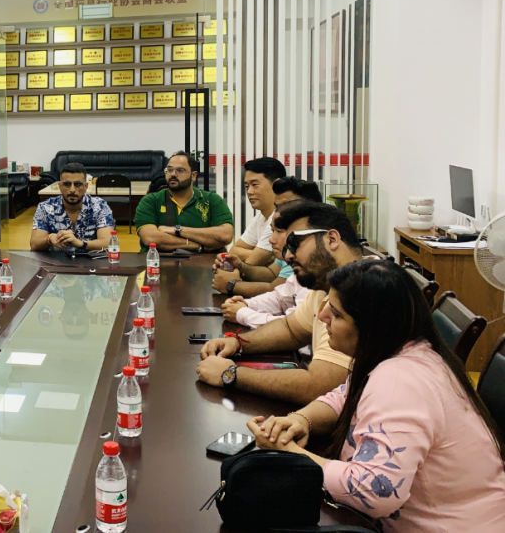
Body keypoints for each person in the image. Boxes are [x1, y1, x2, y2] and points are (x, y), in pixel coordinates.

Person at [248, 260, 505, 532]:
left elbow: (374, 491)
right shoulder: (406, 350)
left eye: (337, 314)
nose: (322, 316)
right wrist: (302, 420)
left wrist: (290, 455)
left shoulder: (400, 382)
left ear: (371, 326)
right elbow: (344, 396)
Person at [196, 202, 361, 405]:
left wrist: (229, 374)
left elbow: (317, 386)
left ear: (332, 239)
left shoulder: (363, 291)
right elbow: (291, 329)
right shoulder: (327, 285)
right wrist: (238, 343)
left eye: (295, 243)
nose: (288, 255)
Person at [212, 176, 322, 297]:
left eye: (287, 207)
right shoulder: (288, 239)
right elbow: (272, 274)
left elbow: (278, 291)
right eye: (277, 207)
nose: (279, 213)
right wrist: (240, 266)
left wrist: (232, 285)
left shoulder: (311, 244)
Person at [219, 201, 311, 330]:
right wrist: (247, 304)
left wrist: (242, 313)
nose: (271, 240)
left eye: (279, 231)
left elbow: (294, 326)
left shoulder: (317, 274)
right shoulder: (301, 267)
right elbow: (280, 298)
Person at [134, 151, 234, 252]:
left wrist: (177, 230)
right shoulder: (151, 201)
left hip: (207, 261)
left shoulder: (211, 200)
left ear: (193, 175)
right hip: (159, 260)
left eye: (180, 170)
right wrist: (198, 246)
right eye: (169, 170)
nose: (173, 174)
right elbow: (150, 238)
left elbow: (226, 235)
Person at [29, 162, 115, 252]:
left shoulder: (100, 206)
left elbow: (110, 244)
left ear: (86, 186)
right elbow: (34, 244)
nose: (72, 190)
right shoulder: (45, 208)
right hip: (55, 260)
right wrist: (49, 239)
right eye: (67, 184)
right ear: (60, 187)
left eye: (78, 184)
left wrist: (81, 243)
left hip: (90, 260)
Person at [226, 157, 286, 266]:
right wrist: (264, 256)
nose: (249, 191)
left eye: (255, 185)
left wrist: (258, 255)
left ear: (277, 185)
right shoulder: (261, 216)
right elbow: (234, 251)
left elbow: (252, 263)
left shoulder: (281, 216)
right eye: (246, 186)